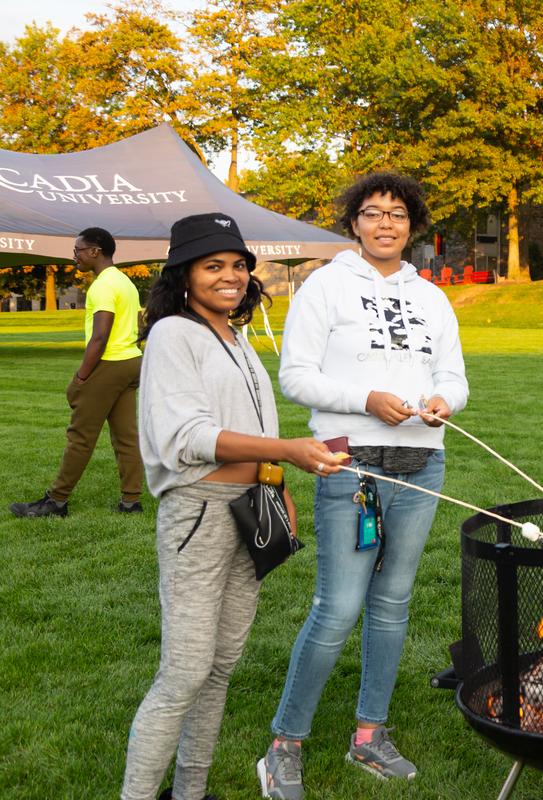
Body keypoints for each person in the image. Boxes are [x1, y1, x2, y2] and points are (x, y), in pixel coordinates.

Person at [258, 173, 468, 799]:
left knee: (393, 606)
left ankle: (369, 735)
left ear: (413, 226)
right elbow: (295, 375)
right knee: (338, 608)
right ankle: (283, 746)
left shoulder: (431, 297)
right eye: (372, 213)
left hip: (422, 465)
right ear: (354, 224)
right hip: (351, 467)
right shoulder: (326, 286)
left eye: (398, 214)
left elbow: (454, 377)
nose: (385, 224)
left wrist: (440, 401)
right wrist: (365, 400)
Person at [121, 214, 343, 800]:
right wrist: (288, 453)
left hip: (250, 508)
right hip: (198, 514)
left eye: (239, 265)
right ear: (184, 275)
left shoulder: (236, 337)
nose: (231, 276)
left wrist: (279, 486)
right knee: (185, 673)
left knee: (220, 667)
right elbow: (190, 436)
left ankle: (189, 792)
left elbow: (254, 426)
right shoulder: (173, 333)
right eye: (213, 265)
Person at [10, 227, 144, 517]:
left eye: (78, 250)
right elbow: (140, 323)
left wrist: (82, 377)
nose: (74, 257)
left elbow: (100, 336)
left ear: (95, 251)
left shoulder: (103, 286)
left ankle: (56, 501)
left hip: (109, 363)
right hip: (132, 361)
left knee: (81, 435)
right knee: (126, 436)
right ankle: (131, 501)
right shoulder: (125, 282)